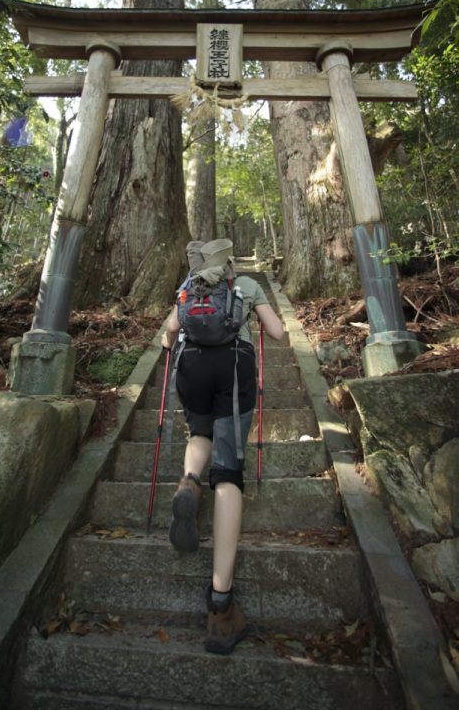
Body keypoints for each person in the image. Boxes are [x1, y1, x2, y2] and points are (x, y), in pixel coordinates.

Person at [161, 238, 284, 655]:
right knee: (229, 473)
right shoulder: (244, 285)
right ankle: (221, 605)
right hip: (234, 364)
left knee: (200, 434)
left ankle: (190, 483)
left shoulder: (188, 286)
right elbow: (279, 332)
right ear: (229, 262)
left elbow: (169, 334)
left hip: (191, 365)